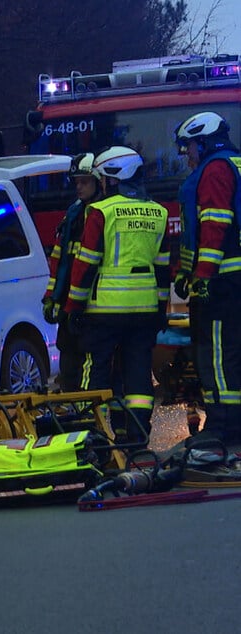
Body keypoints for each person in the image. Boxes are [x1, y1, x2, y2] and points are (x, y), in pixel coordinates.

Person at [64, 146, 170, 445]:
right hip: (145, 311)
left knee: (95, 371)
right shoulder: (159, 212)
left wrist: (74, 306)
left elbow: (86, 264)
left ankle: (90, 436)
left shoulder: (101, 211)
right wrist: (160, 309)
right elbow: (163, 268)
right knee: (138, 376)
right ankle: (135, 438)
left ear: (112, 177)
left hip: (104, 310)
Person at [173, 111, 241, 446]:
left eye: (189, 147)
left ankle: (222, 427)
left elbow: (214, 224)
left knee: (217, 354)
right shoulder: (236, 164)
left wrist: (202, 276)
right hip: (233, 278)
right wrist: (186, 272)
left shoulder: (215, 169)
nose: (187, 154)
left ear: (205, 141)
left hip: (223, 283)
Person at [41, 153, 103, 393]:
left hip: (94, 303)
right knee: (67, 354)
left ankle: (89, 416)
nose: (78, 187)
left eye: (84, 182)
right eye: (76, 182)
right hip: (70, 303)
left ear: (98, 182)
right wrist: (52, 297)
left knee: (91, 361)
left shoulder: (103, 212)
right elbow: (59, 260)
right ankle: (71, 406)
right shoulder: (73, 214)